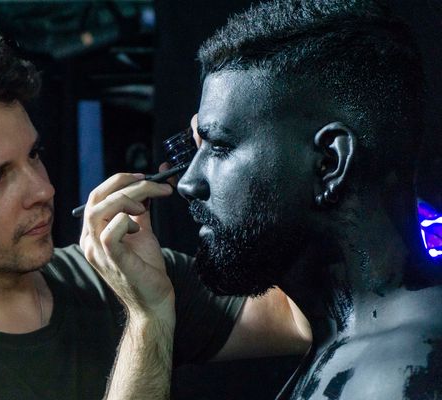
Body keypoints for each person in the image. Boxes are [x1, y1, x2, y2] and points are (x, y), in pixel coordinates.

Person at [0, 29, 310, 399]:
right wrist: (148, 319)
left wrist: (260, 163)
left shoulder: (111, 276)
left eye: (34, 155)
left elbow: (303, 320)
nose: (43, 189)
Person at [80, 0, 442, 398]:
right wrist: (148, 316)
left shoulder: (403, 374)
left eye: (220, 147)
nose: (189, 182)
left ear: (329, 162)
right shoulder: (349, 347)